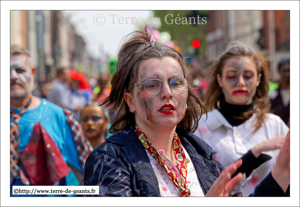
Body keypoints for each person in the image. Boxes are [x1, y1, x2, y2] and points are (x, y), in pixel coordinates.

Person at [83, 29, 290, 197]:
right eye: (153, 85)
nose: (167, 93)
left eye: (176, 83)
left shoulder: (201, 154)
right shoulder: (107, 160)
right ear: (130, 101)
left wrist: (280, 173)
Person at [194, 41, 289, 196]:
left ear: (258, 79)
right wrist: (255, 152)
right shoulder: (199, 127)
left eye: (248, 75)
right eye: (232, 76)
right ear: (220, 79)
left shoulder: (275, 125)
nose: (241, 82)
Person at [10, 45, 92, 196]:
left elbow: (91, 172)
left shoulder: (60, 117)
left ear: (33, 72)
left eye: (20, 70)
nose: (13, 76)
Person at [269, 57, 290, 126]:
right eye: (284, 70)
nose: (287, 74)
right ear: (279, 71)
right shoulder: (273, 94)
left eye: (289, 70)